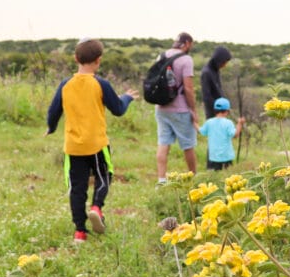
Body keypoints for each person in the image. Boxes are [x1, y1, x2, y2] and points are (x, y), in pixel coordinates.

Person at [46, 39, 139, 242]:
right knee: (104, 176)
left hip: (73, 147)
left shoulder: (65, 85)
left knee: (77, 188)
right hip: (97, 144)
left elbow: (54, 111)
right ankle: (97, 206)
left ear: (75, 58)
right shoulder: (101, 84)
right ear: (98, 60)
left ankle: (80, 231)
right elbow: (118, 109)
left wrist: (51, 128)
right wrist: (127, 97)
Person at [155, 32, 198, 182]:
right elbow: (188, 88)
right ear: (186, 43)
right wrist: (193, 110)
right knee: (188, 144)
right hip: (180, 109)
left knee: (163, 142)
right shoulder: (186, 59)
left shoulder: (161, 56)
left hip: (161, 107)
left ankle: (161, 180)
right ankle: (193, 177)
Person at [199, 97, 245, 170]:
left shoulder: (209, 122)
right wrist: (240, 123)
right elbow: (235, 135)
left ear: (215, 110)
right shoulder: (228, 123)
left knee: (215, 177)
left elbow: (201, 131)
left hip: (213, 157)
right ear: (227, 111)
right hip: (227, 157)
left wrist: (193, 123)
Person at [200, 46, 232, 120]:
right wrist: (218, 111)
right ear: (219, 60)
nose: (225, 65)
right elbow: (207, 97)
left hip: (221, 111)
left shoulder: (215, 70)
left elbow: (218, 90)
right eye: (224, 62)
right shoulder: (206, 73)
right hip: (214, 114)